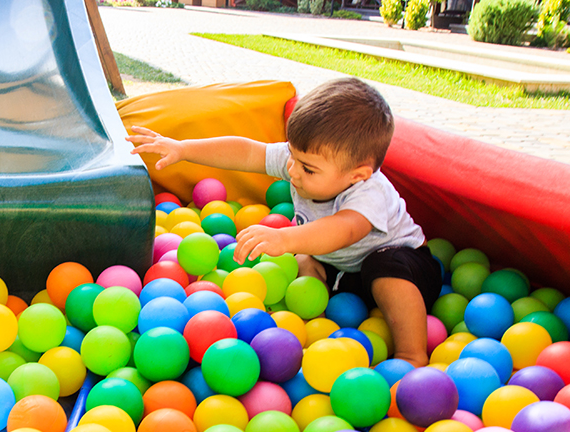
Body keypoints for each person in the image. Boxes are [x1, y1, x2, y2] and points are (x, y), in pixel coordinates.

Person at [126, 77, 442, 368]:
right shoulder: (301, 160)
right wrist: (184, 149)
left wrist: (286, 239)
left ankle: (411, 354)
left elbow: (343, 230)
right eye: (291, 155)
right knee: (304, 261)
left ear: (357, 174)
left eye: (307, 168)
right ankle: (310, 330)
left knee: (384, 267)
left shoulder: (368, 192)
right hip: (343, 272)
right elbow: (248, 152)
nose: (292, 170)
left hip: (408, 267)